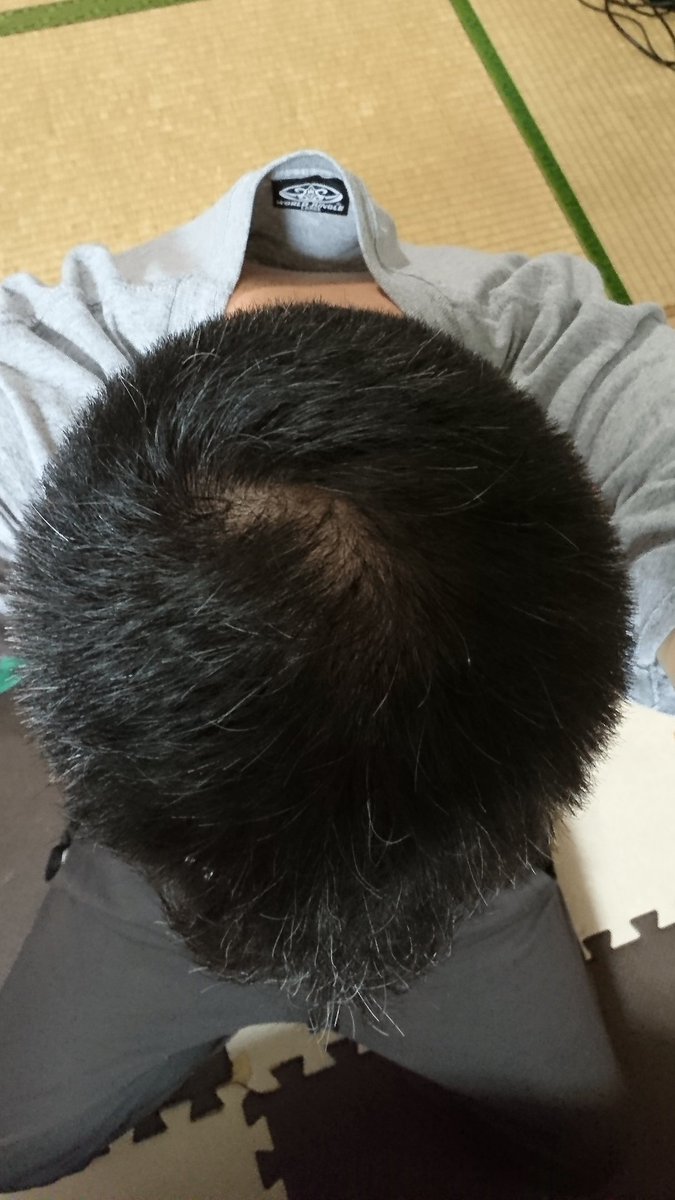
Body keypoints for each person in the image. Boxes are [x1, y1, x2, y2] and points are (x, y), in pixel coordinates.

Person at [0, 148, 673, 1194]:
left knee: (583, 1149)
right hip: (166, 884)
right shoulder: (29, 399)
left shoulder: (591, 378)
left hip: (455, 884)